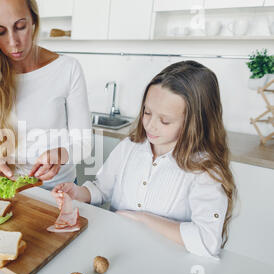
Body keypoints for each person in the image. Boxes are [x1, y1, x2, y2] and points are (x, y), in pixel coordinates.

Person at [52, 61, 237, 258]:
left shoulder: (205, 169)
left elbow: (207, 241)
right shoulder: (130, 147)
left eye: (165, 120)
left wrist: (143, 219)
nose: (150, 125)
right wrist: (78, 192)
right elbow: (102, 188)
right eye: (147, 112)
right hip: (116, 251)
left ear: (195, 122)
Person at [0, 0, 92, 190]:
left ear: (33, 20)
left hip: (59, 191)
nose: (13, 42)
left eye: (20, 27)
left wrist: (60, 154)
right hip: (14, 193)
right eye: (0, 31)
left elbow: (84, 143)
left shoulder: (68, 69)